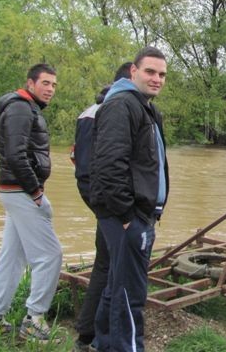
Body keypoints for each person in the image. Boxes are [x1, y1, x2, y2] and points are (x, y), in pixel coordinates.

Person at [89, 47, 169, 351]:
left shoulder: (144, 106)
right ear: (133, 72)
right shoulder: (122, 106)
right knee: (131, 294)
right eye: (150, 72)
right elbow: (110, 166)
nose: (157, 79)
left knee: (116, 286)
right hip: (129, 217)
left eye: (162, 74)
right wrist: (126, 217)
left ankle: (103, 343)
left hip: (139, 214)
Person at [0, 64, 63, 343]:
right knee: (50, 255)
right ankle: (34, 320)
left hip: (15, 191)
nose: (50, 89)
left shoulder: (25, 108)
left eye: (54, 85)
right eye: (45, 83)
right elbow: (15, 156)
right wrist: (36, 193)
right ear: (30, 83)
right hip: (21, 191)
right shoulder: (20, 108)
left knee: (12, 258)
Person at [71, 62, 132, 351]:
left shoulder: (90, 111)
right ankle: (95, 334)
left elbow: (80, 163)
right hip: (107, 198)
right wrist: (115, 206)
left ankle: (88, 331)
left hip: (98, 194)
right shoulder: (112, 112)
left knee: (104, 263)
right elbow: (96, 167)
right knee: (111, 265)